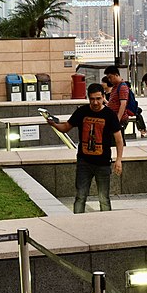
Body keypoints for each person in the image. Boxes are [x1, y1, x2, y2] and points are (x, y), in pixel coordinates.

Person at [45, 83, 123, 212]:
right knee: (80, 196)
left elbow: (119, 139)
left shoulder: (109, 115)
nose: (95, 102)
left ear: (103, 97)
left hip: (103, 163)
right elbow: (66, 127)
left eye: (98, 98)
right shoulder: (82, 111)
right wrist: (53, 124)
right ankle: (78, 222)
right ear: (88, 98)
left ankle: (108, 223)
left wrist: (119, 159)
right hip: (84, 162)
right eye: (92, 99)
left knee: (104, 198)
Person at [104, 65, 146, 138]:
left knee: (117, 139)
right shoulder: (115, 86)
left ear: (116, 75)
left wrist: (117, 120)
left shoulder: (122, 87)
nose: (109, 80)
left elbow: (123, 104)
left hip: (119, 119)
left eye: (110, 77)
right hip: (114, 118)